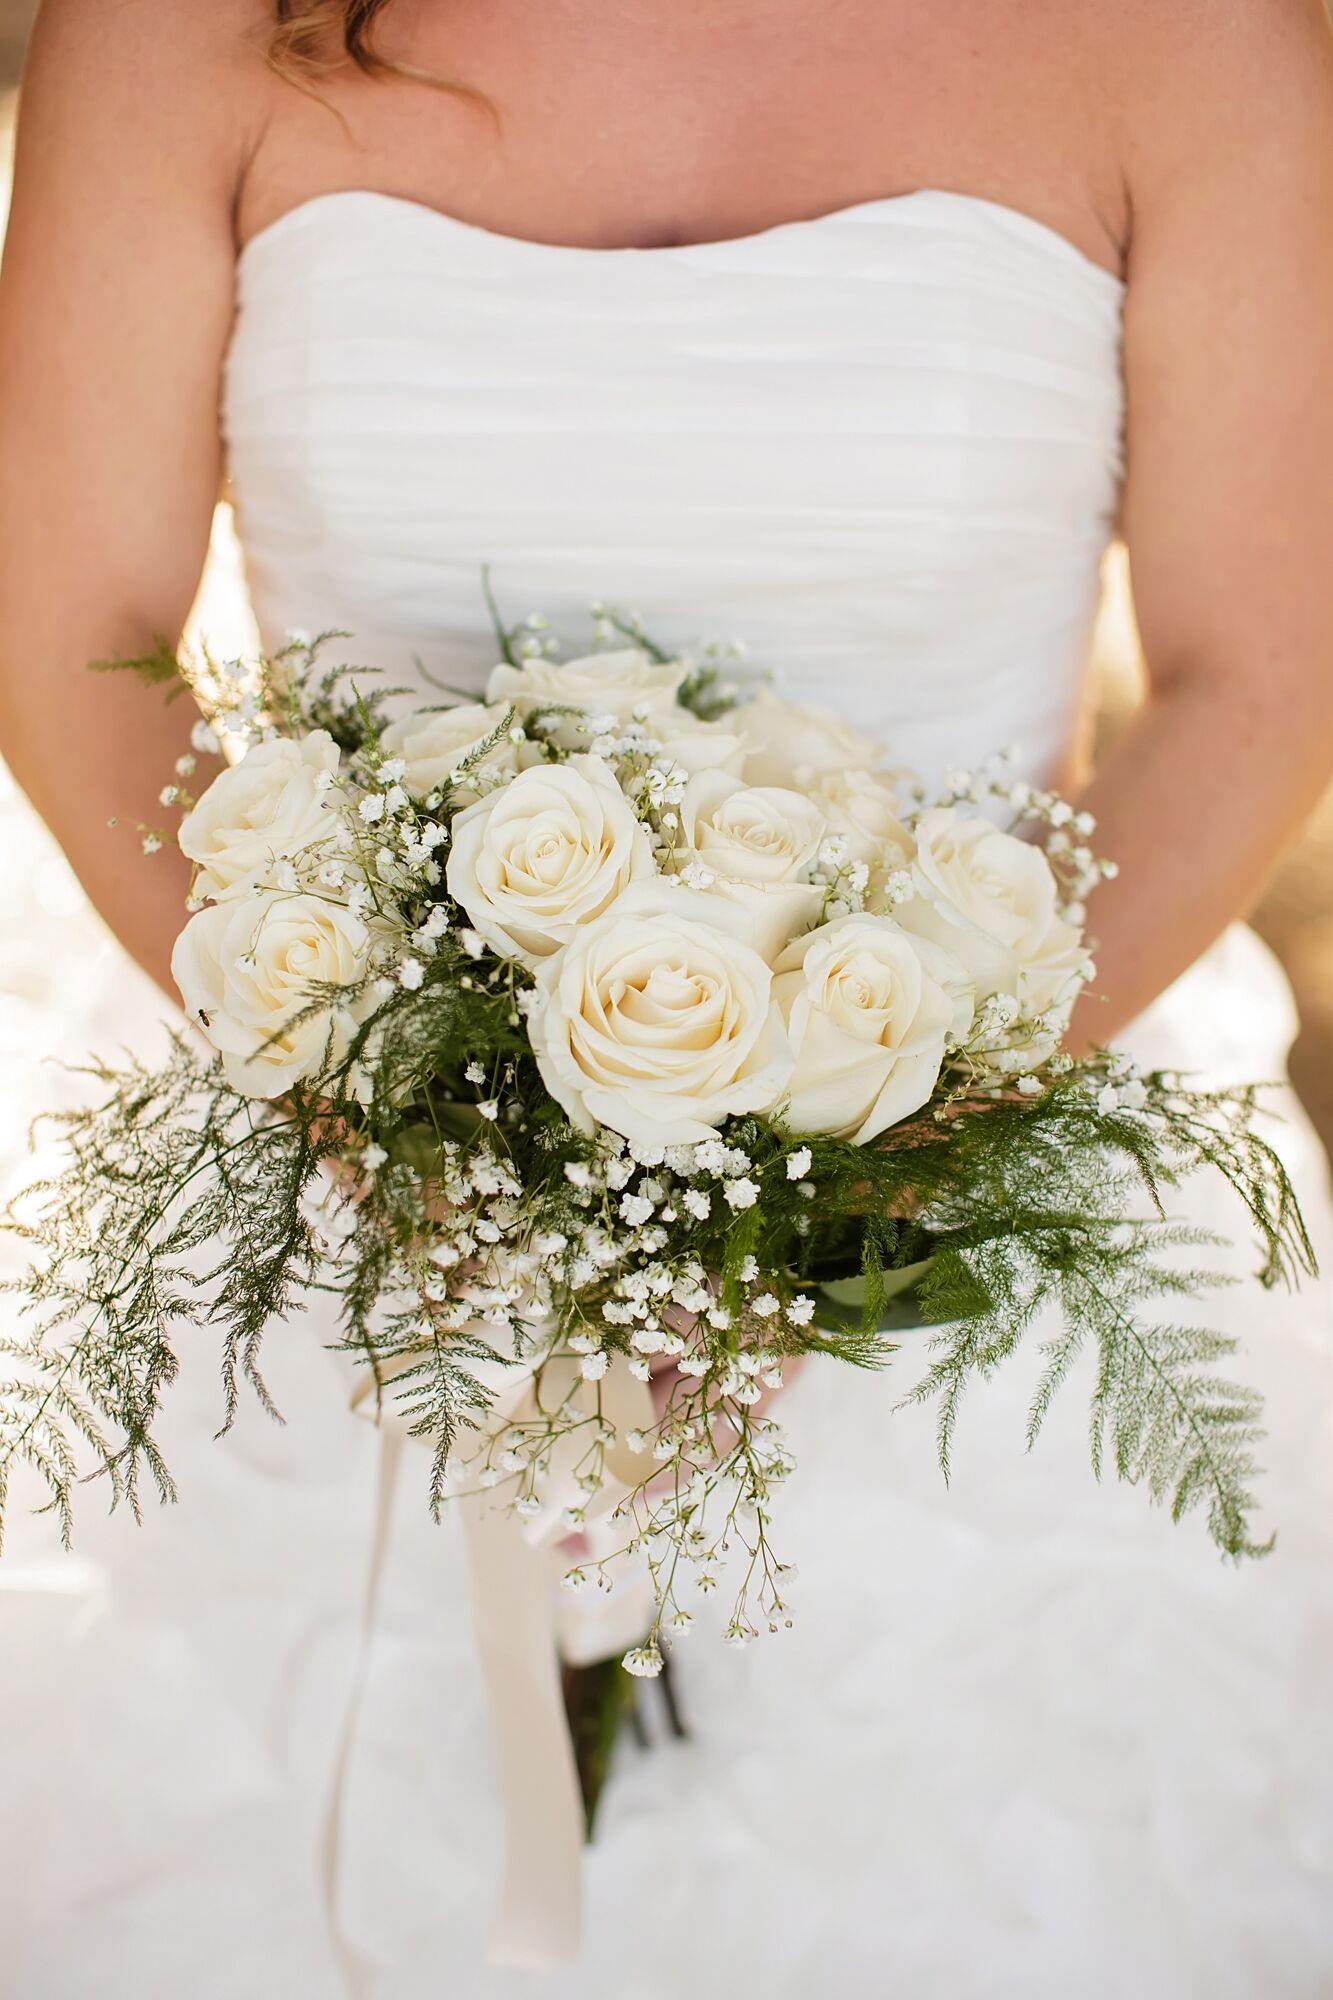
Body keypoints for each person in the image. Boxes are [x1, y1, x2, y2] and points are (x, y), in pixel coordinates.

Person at [0, 2, 1331, 1993]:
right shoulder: (178, 30)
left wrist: (873, 1163)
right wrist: (395, 1116)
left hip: (997, 1194)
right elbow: (66, 634)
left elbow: (1260, 670)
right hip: (340, 1202)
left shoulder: (1191, 38)